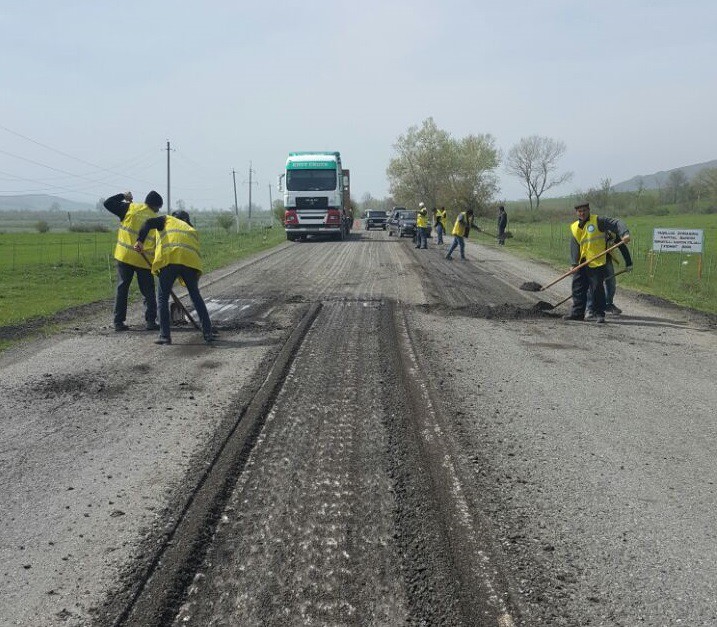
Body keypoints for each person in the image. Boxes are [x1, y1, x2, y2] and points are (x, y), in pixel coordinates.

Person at [134, 210, 214, 345]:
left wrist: (140, 241)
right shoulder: (191, 229)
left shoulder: (166, 220)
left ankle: (165, 336)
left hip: (170, 259)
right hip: (190, 262)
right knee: (195, 296)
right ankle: (208, 332)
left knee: (162, 298)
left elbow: (148, 222)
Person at [104, 190, 163, 332]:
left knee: (122, 288)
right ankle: (150, 322)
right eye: (158, 207)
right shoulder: (155, 219)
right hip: (143, 260)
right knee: (148, 291)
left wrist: (123, 196)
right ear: (155, 206)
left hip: (125, 256)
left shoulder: (129, 208)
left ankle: (118, 322)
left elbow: (107, 203)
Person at [563, 202, 630, 323]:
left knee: (596, 288)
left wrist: (624, 233)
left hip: (597, 261)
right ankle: (577, 313)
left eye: (584, 210)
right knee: (577, 287)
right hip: (582, 262)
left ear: (589, 210)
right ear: (576, 213)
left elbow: (617, 223)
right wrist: (574, 264)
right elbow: (574, 246)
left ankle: (598, 314)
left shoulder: (598, 221)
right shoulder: (574, 226)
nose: (582, 213)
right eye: (579, 211)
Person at [586, 230, 633, 316]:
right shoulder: (591, 231)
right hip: (593, 260)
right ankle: (590, 308)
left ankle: (608, 304)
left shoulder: (612, 233)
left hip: (606, 259)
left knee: (611, 283)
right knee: (592, 284)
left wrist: (629, 262)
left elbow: (622, 246)